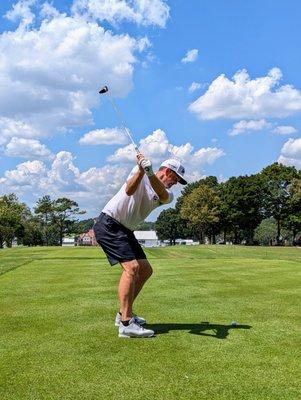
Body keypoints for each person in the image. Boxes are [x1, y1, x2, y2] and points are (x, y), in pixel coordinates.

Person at [93, 154, 187, 338]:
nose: (174, 184)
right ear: (168, 171)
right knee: (132, 268)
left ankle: (122, 315)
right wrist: (140, 169)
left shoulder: (168, 195)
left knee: (145, 270)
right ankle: (126, 324)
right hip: (110, 223)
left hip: (125, 229)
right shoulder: (139, 173)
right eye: (175, 179)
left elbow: (161, 193)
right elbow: (129, 190)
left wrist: (150, 173)